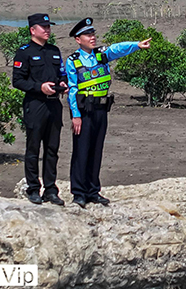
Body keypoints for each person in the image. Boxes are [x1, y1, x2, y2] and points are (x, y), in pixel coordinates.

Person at [64, 18, 151, 207]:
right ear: (78, 39)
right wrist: (76, 115)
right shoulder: (73, 61)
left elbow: (117, 49)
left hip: (101, 110)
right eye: (88, 35)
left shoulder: (101, 55)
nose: (93, 37)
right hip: (84, 111)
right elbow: (72, 90)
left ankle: (93, 191)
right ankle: (79, 193)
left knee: (96, 151)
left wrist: (136, 45)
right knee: (81, 151)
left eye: (93, 34)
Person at [12, 13, 66, 206]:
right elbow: (17, 81)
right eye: (43, 27)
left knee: (52, 149)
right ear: (32, 30)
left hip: (54, 104)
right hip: (35, 104)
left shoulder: (54, 50)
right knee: (33, 149)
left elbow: (61, 73)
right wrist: (39, 87)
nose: (47, 30)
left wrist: (62, 83)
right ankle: (33, 188)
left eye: (48, 27)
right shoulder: (24, 52)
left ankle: (50, 190)